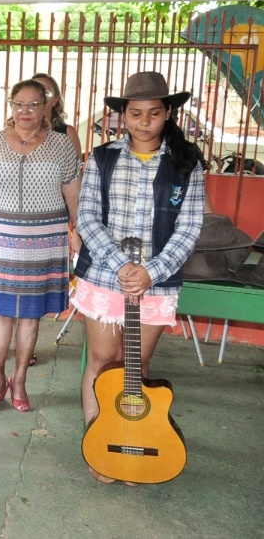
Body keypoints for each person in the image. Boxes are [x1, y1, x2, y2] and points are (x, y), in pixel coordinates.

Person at [74, 72, 205, 484]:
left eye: (153, 113)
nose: (143, 121)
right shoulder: (102, 158)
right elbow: (88, 218)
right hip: (104, 277)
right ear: (122, 116)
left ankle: (133, 439)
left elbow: (190, 226)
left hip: (156, 283)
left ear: (167, 114)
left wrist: (151, 271)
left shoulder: (187, 164)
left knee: (137, 365)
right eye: (135, 113)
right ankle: (100, 445)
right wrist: (121, 265)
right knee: (101, 361)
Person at [0, 79, 81, 413]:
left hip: (44, 243)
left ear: (46, 106)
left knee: (31, 317)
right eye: (19, 104)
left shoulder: (61, 145)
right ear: (11, 106)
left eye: (33, 104)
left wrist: (78, 231)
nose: (25, 111)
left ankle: (19, 379)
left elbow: (73, 195)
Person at [32, 73, 83, 159]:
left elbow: (77, 170)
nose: (38, 97)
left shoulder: (68, 133)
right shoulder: (12, 130)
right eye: (34, 92)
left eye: (45, 93)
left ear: (55, 101)